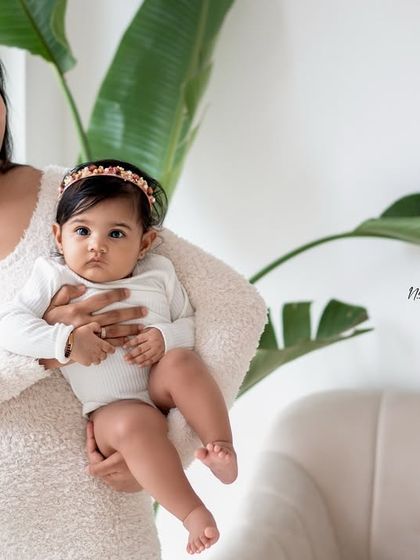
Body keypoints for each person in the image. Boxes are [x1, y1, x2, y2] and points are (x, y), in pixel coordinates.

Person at [0, 159, 238, 554]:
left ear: (144, 243)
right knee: (134, 424)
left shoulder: (159, 272)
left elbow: (190, 323)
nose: (97, 245)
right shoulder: (54, 275)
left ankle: (220, 447)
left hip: (158, 379)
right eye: (82, 231)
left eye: (116, 233)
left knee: (183, 362)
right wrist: (67, 342)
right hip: (111, 407)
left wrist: (165, 337)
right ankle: (193, 513)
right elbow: (9, 326)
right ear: (58, 237)